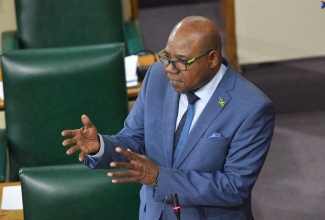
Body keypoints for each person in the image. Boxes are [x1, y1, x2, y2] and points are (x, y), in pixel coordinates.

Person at [62, 15, 275, 220]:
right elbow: (134, 140)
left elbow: (233, 187)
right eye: (166, 57)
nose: (169, 69)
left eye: (181, 61)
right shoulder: (156, 77)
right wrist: (100, 146)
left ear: (212, 59)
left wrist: (159, 178)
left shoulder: (252, 108)